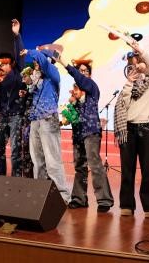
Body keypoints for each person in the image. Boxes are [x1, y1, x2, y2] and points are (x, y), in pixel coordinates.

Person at [114, 40, 149, 218]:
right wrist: (129, 82)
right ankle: (126, 205)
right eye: (132, 65)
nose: (136, 67)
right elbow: (124, 104)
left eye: (139, 63)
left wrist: (141, 51)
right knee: (127, 171)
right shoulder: (128, 86)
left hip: (147, 129)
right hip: (128, 130)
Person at [58, 55, 113, 212]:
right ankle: (79, 198)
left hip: (91, 131)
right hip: (78, 133)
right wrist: (67, 112)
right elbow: (71, 116)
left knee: (95, 164)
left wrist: (65, 64)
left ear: (89, 74)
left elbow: (80, 80)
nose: (82, 74)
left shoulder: (92, 87)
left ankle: (104, 200)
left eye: (85, 71)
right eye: (80, 71)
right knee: (79, 166)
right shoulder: (75, 94)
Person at [21, 39, 71, 204]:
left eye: (38, 61)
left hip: (49, 119)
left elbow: (42, 60)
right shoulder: (39, 78)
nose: (36, 63)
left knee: (52, 159)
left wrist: (30, 51)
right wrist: (29, 85)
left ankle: (62, 196)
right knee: (37, 160)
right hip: (35, 119)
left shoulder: (53, 72)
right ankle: (40, 193)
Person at [0, 19, 26, 177]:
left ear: (10, 64)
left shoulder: (18, 72)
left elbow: (20, 55)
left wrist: (17, 35)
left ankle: (16, 177)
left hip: (16, 116)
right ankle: (0, 174)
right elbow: (1, 97)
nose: (0, 67)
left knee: (16, 149)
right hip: (3, 115)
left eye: (3, 64)